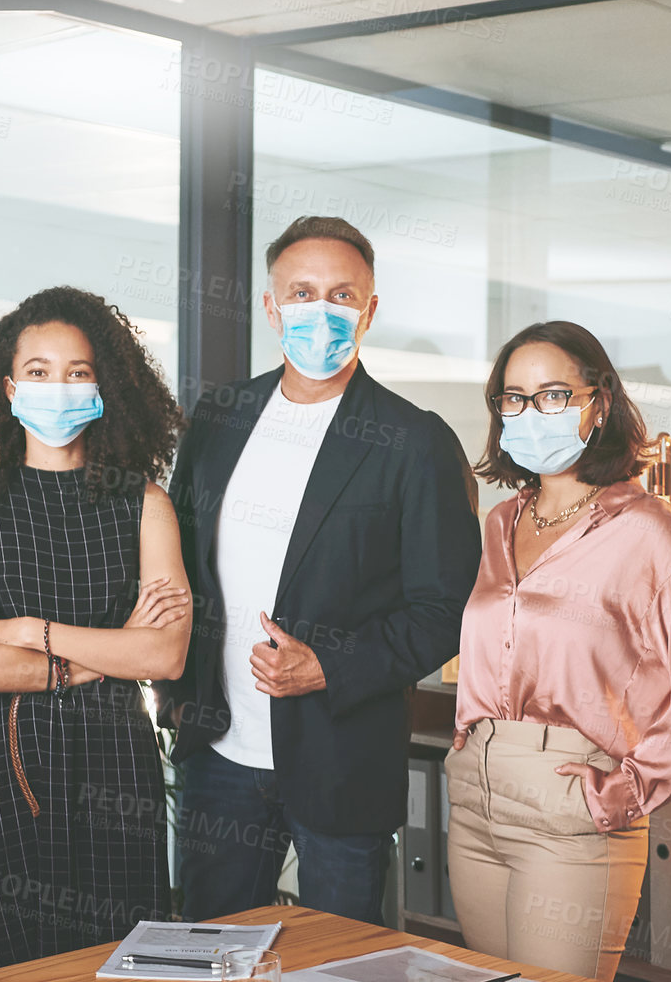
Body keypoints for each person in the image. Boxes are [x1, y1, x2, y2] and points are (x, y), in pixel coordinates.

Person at [159, 215, 479, 926]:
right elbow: (177, 562)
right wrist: (174, 691)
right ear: (272, 309)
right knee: (211, 960)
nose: (321, 311)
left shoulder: (413, 440)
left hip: (342, 756)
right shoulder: (220, 417)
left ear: (369, 310)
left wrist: (328, 665)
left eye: (341, 295)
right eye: (302, 293)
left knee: (345, 978)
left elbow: (445, 607)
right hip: (218, 755)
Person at [446, 320, 671, 980]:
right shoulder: (503, 521)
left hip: (570, 804)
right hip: (476, 800)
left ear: (599, 402)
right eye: (514, 398)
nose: (532, 412)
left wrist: (625, 791)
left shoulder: (647, 529)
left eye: (554, 394)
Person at [0, 285, 191, 975]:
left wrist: (35, 630)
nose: (58, 387)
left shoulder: (146, 503)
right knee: (3, 970)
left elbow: (164, 652)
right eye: (40, 372)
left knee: (122, 967)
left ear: (106, 386)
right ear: (10, 387)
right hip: (10, 756)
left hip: (118, 759)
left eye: (77, 371)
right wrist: (106, 654)